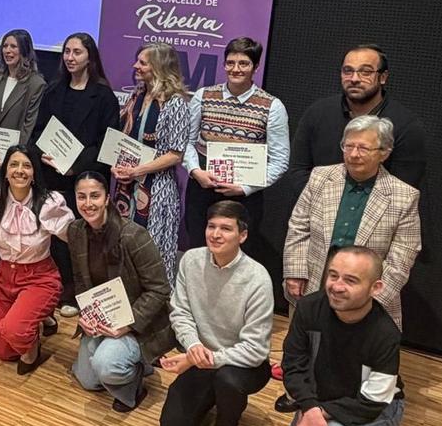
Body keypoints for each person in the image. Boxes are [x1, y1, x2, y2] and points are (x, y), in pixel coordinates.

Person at [283, 115, 420, 329]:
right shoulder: (320, 177)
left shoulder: (404, 196)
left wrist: (372, 298)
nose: (354, 154)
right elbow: (298, 227)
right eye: (349, 146)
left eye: (364, 148)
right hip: (312, 287)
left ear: (384, 153)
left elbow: (403, 255)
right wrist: (295, 271)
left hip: (366, 301)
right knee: (302, 353)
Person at [159, 200, 273, 426]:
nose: (216, 235)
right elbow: (180, 311)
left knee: (228, 380)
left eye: (226, 228)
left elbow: (255, 349)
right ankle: (211, 393)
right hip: (201, 355)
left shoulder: (257, 279)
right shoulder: (190, 260)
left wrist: (200, 360)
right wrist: (193, 346)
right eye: (211, 226)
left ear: (242, 235)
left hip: (242, 364)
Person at [0, 145, 75, 374]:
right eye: (13, 164)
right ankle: (39, 317)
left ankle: (34, 347)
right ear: (5, 170)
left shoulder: (47, 203)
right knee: (5, 352)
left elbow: (75, 238)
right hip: (5, 278)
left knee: (14, 331)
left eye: (26, 165)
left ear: (34, 173)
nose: (19, 170)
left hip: (39, 278)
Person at [67, 171, 173, 412]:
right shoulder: (75, 231)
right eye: (81, 196)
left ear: (107, 199)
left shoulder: (134, 235)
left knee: (107, 367)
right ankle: (132, 362)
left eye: (95, 196)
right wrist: (86, 315)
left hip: (137, 324)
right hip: (103, 318)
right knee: (88, 379)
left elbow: (160, 290)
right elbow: (81, 282)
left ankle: (135, 382)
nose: (88, 203)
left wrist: (126, 326)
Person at [35, 32, 120, 318]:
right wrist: (43, 154)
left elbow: (109, 144)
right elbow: (38, 132)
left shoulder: (104, 95)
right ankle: (55, 287)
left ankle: (78, 292)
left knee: (83, 240)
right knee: (56, 236)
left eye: (77, 53)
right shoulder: (54, 89)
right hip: (53, 177)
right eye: (67, 52)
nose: (70, 58)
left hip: (85, 180)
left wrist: (76, 166)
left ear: (90, 57)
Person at [282, 246, 405, 426]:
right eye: (333, 276)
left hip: (376, 405)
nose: (337, 286)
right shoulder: (308, 308)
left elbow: (374, 400)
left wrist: (316, 414)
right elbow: (293, 366)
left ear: (376, 288)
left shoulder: (385, 333)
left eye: (350, 280)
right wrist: (311, 408)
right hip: (321, 399)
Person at [184, 37, 288, 249]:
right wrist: (195, 172)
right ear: (224, 64)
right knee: (198, 249)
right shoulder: (204, 96)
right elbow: (186, 142)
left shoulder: (272, 106)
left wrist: (245, 188)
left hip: (243, 196)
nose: (236, 69)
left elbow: (280, 160)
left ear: (255, 67)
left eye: (244, 63)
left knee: (237, 258)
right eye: (230, 63)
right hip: (202, 187)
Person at [111, 42, 197, 285]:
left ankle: (155, 311)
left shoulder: (176, 103)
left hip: (156, 190)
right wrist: (115, 164)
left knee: (152, 251)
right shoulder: (136, 95)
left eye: (142, 62)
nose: (135, 66)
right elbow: (122, 137)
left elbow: (175, 154)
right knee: (121, 247)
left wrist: (138, 170)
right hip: (125, 188)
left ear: (159, 66)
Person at [287, 44, 424, 191]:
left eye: (365, 72)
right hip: (318, 207)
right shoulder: (318, 113)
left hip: (377, 210)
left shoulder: (405, 125)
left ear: (383, 77)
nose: (354, 78)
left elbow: (404, 186)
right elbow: (298, 170)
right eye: (348, 71)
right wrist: (325, 204)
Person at [0, 29, 47, 187]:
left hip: (13, 167)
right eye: (5, 45)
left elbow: (29, 127)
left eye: (14, 46)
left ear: (25, 51)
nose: (8, 50)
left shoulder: (36, 84)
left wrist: (11, 159)